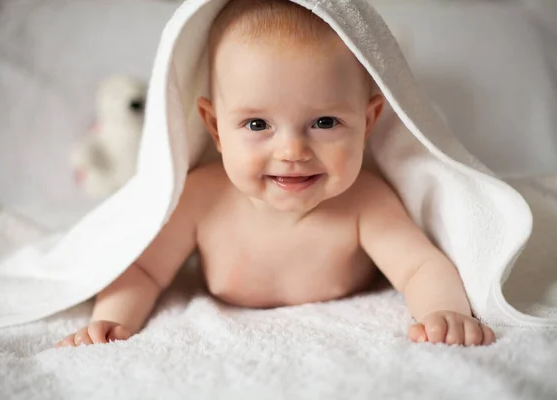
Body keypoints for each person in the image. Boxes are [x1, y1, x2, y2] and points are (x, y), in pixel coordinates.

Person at [57, 0, 495, 348]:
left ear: (368, 120)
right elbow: (144, 271)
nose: (292, 151)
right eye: (257, 125)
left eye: (324, 122)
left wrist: (443, 313)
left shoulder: (365, 201)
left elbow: (420, 266)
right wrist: (112, 319)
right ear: (215, 127)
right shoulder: (201, 199)